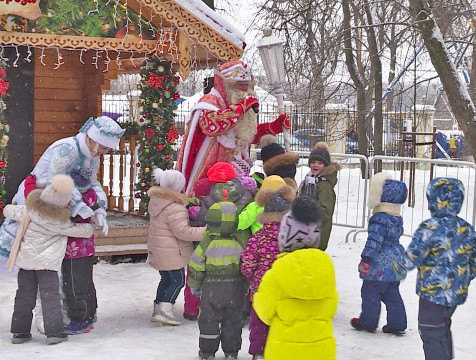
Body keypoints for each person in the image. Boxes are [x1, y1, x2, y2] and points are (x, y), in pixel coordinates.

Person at [0, 116, 125, 266]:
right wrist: (78, 205)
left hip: (61, 206)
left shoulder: (92, 157)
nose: (105, 152)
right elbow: (57, 182)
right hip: (39, 198)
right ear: (94, 140)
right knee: (31, 250)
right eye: (105, 147)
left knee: (49, 255)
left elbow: (92, 182)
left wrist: (99, 209)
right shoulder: (66, 149)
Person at [176, 60, 291, 196]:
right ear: (227, 85)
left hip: (236, 173)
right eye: (240, 85)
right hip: (210, 172)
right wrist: (240, 108)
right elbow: (213, 126)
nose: (245, 90)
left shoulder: (237, 105)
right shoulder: (209, 101)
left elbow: (245, 134)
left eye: (247, 85)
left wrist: (273, 126)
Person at [4, 175, 94, 345]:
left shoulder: (29, 211)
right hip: (47, 267)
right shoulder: (60, 223)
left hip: (26, 264)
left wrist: (12, 209)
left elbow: (8, 210)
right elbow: (84, 231)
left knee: (24, 296)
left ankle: (20, 332)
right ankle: (54, 333)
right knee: (49, 297)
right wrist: (90, 225)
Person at [394, 177, 476, 360]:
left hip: (433, 293)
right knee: (443, 326)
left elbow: (414, 254)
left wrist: (398, 268)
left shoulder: (430, 228)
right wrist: (464, 277)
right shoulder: (467, 229)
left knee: (430, 331)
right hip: (455, 294)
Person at [253, 197, 338, 360]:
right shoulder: (325, 268)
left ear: (284, 238)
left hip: (284, 349)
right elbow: (332, 305)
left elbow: (265, 310)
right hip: (321, 349)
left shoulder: (277, 271)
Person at [188, 195, 248, 360]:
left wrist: (195, 283)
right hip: (234, 288)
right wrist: (245, 285)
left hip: (211, 288)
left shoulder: (207, 242)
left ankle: (207, 352)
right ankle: (231, 351)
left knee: (209, 320)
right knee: (233, 321)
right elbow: (246, 266)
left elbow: (196, 263)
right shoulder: (239, 243)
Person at [240, 181, 295, 359]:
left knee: (259, 321)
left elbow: (248, 262)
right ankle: (280, 349)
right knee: (282, 321)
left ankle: (258, 351)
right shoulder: (293, 237)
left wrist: (250, 277)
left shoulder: (259, 236)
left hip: (261, 289)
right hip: (284, 288)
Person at [147, 168, 206, 326]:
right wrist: (206, 231)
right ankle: (165, 309)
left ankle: (158, 306)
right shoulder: (175, 207)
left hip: (161, 249)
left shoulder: (158, 201)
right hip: (171, 251)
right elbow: (183, 232)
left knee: (166, 279)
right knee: (177, 280)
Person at [351, 172, 408, 335]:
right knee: (392, 293)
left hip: (379, 263)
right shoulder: (396, 217)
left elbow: (374, 241)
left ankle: (368, 322)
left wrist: (366, 259)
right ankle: (397, 323)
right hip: (396, 259)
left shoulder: (379, 218)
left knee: (370, 291)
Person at [62, 170, 101, 335]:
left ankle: (81, 319)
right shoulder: (92, 195)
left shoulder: (76, 201)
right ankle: (91, 311)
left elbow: (68, 218)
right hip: (87, 248)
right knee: (85, 283)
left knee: (74, 286)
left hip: (74, 250)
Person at [297, 141, 341, 250]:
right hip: (305, 227)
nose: (316, 165)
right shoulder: (309, 179)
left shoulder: (324, 185)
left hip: (318, 230)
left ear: (325, 165)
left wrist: (308, 215)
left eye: (320, 163)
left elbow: (326, 209)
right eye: (313, 162)